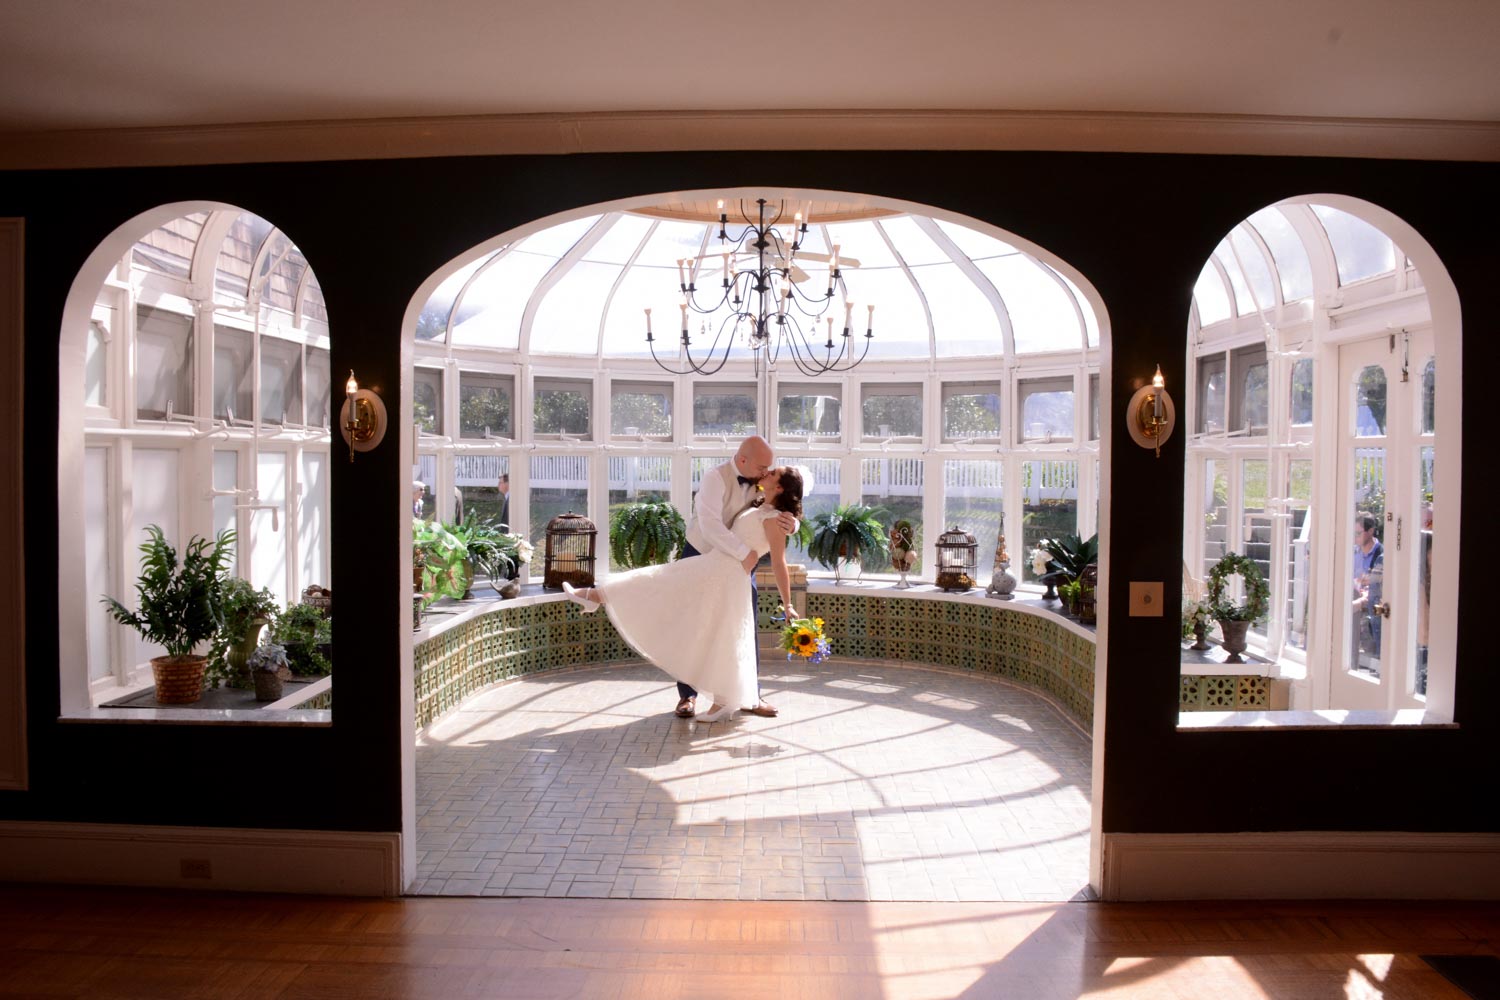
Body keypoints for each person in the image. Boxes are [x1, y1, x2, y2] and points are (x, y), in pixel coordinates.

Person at [561, 466, 804, 723]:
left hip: (727, 578)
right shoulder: (758, 505)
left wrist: (788, 605)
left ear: (779, 487)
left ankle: (724, 701)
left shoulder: (776, 520)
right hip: (714, 568)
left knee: (721, 634)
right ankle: (596, 595)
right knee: (662, 584)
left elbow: (779, 562)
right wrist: (795, 522)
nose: (765, 471)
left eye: (773, 473)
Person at [1352, 511, 1384, 669]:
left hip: (1372, 607)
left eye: (1358, 533)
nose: (1354, 537)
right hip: (1356, 599)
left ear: (1370, 531)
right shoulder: (1353, 553)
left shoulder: (1381, 555)